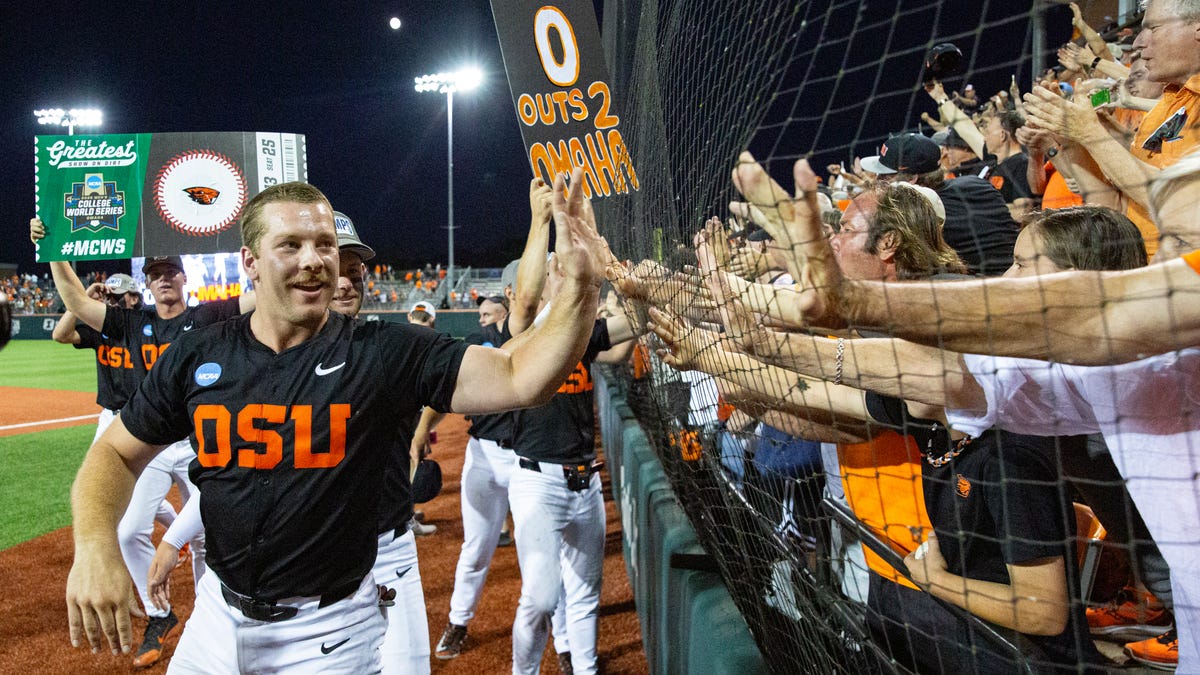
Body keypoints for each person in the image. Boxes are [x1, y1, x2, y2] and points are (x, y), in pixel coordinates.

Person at [65, 171, 611, 674]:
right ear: (249, 261)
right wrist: (94, 547)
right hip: (215, 615)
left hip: (327, 634)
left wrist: (582, 289)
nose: (315, 260)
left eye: (324, 244)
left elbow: (520, 376)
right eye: (292, 245)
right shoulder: (197, 355)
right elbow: (113, 454)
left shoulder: (382, 354)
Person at [702, 152, 1200, 670]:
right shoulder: (1098, 373)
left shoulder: (1047, 409)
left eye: (1184, 246)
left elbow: (1086, 314)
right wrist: (753, 341)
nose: (1162, 263)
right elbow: (934, 380)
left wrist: (840, 305)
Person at [147, 211, 439, 674]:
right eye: (333, 264)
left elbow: (507, 373)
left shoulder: (392, 352)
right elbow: (236, 474)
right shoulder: (268, 361)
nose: (342, 280)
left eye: (353, 270)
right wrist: (175, 539)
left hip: (382, 553)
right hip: (288, 577)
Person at [32, 218, 253, 669]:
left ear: (184, 277)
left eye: (170, 271)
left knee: (214, 534)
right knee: (129, 530)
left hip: (196, 440)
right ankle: (160, 614)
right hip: (149, 440)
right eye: (155, 273)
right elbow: (74, 302)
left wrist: (258, 251)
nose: (163, 278)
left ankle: (214, 613)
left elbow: (261, 298)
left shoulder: (207, 316)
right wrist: (54, 248)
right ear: (148, 283)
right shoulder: (133, 323)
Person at [436, 180, 571, 667]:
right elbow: (440, 390)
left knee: (540, 563)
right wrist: (417, 433)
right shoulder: (487, 336)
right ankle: (458, 620)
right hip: (482, 455)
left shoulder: (551, 334)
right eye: (510, 297)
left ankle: (567, 643)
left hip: (526, 461)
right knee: (477, 548)